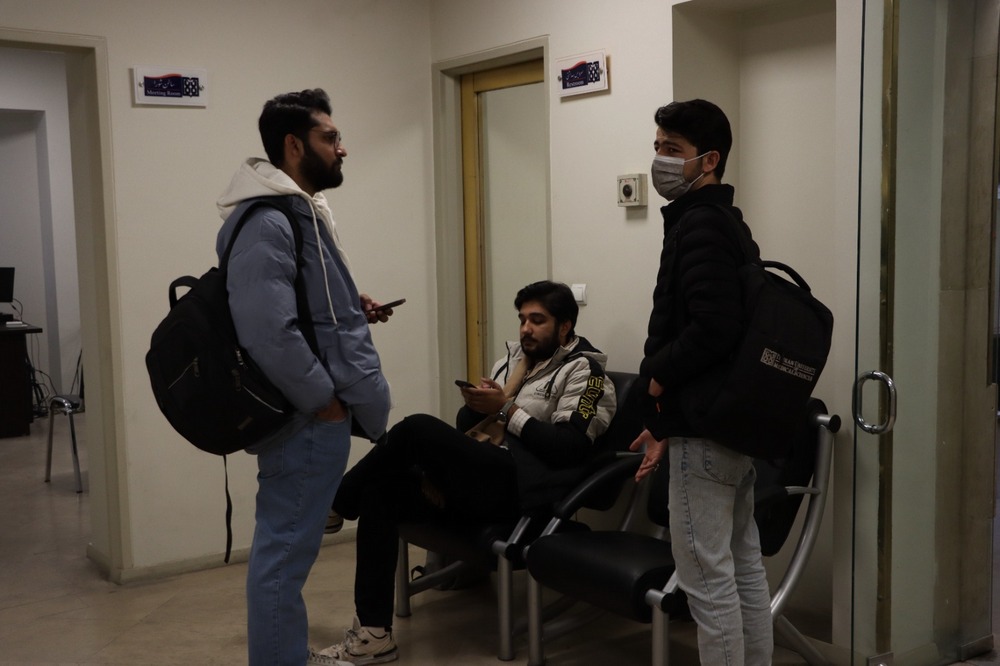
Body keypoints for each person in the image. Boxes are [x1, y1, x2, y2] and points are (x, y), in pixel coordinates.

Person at [308, 280, 617, 665]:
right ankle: (374, 636)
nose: (526, 329)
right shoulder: (512, 361)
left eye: (537, 320)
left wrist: (505, 408)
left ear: (565, 326)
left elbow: (568, 447)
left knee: (417, 427)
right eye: (522, 319)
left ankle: (335, 503)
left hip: (523, 489)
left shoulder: (587, 373)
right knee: (381, 493)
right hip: (484, 478)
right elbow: (472, 428)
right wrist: (476, 407)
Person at [216, 88, 395, 666]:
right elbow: (268, 331)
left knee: (285, 553)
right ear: (294, 146)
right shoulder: (270, 220)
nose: (342, 148)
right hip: (306, 419)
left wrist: (349, 304)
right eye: (330, 137)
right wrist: (324, 402)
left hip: (310, 414)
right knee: (283, 557)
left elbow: (298, 304)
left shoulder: (294, 214)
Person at [628, 99, 772, 665]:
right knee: (742, 569)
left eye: (673, 150)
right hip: (726, 427)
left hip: (705, 435)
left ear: (708, 160)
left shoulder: (701, 224)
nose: (660, 160)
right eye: (657, 147)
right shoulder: (727, 221)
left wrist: (657, 381)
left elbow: (714, 328)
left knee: (708, 585)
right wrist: (664, 422)